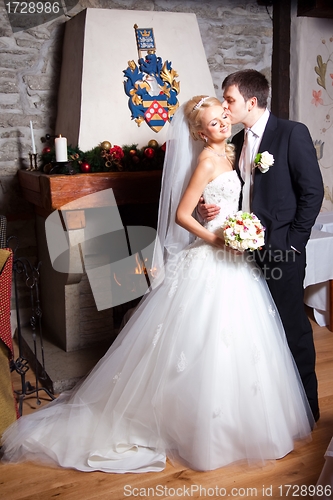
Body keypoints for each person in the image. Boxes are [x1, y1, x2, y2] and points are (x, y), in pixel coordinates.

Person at [1, 96, 314, 474]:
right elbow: (182, 214)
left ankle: (246, 425)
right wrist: (214, 237)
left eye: (223, 118)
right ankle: (199, 430)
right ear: (200, 133)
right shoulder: (205, 160)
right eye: (214, 123)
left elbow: (238, 198)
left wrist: (230, 223)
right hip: (213, 254)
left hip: (238, 259)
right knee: (204, 340)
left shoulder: (236, 152)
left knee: (245, 340)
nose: (223, 125)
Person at [198, 70, 324, 422]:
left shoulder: (291, 133)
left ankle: (308, 411)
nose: (225, 106)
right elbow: (236, 190)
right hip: (245, 250)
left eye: (230, 100)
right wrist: (208, 208)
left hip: (283, 251)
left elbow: (313, 192)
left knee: (292, 328)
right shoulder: (237, 140)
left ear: (251, 102)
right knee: (258, 330)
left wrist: (293, 243)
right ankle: (269, 411)